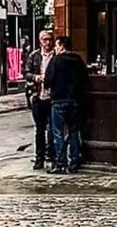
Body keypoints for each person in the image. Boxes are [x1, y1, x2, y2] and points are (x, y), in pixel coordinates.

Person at [45, 33, 86, 173]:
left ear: (62, 46)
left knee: (58, 132)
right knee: (74, 131)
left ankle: (60, 163)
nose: (55, 48)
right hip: (74, 101)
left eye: (56, 45)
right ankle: (74, 162)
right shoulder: (78, 60)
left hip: (58, 100)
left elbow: (48, 80)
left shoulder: (56, 60)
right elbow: (84, 80)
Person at [26, 29, 56, 170]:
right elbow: (26, 72)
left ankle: (51, 155)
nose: (47, 43)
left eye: (49, 39)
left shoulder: (56, 56)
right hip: (38, 96)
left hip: (53, 97)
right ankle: (39, 158)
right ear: (40, 41)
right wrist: (35, 77)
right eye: (44, 40)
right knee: (39, 129)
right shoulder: (34, 56)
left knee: (52, 129)